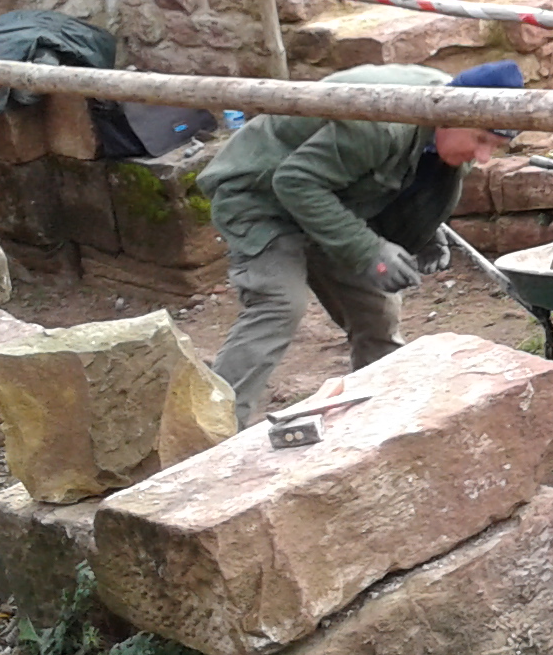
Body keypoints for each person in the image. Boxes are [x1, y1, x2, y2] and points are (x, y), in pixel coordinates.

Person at [201, 59, 521, 425]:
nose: (483, 157)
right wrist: (370, 250)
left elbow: (413, 176)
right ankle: (212, 428)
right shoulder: (382, 124)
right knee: (279, 305)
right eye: (480, 140)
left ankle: (379, 424)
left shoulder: (455, 115)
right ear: (448, 116)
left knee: (377, 315)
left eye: (495, 146)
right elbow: (295, 182)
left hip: (335, 200)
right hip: (260, 195)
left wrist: (427, 229)